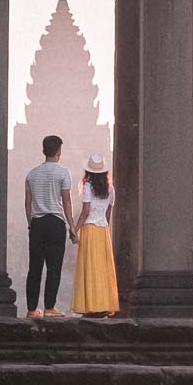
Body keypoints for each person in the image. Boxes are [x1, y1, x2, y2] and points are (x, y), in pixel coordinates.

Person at [24, 134, 75, 318]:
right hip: (55, 222)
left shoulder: (32, 174)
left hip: (37, 223)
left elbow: (27, 203)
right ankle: (49, 307)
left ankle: (31, 309)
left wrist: (31, 224)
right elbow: (67, 202)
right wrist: (72, 226)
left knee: (35, 267)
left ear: (43, 150)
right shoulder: (63, 173)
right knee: (54, 266)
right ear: (59, 152)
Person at [71, 153, 119, 317]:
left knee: (90, 268)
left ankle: (90, 305)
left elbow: (85, 213)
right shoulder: (110, 189)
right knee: (102, 269)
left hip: (90, 229)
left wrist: (74, 229)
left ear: (89, 172)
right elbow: (108, 215)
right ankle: (103, 305)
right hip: (103, 230)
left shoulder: (87, 187)